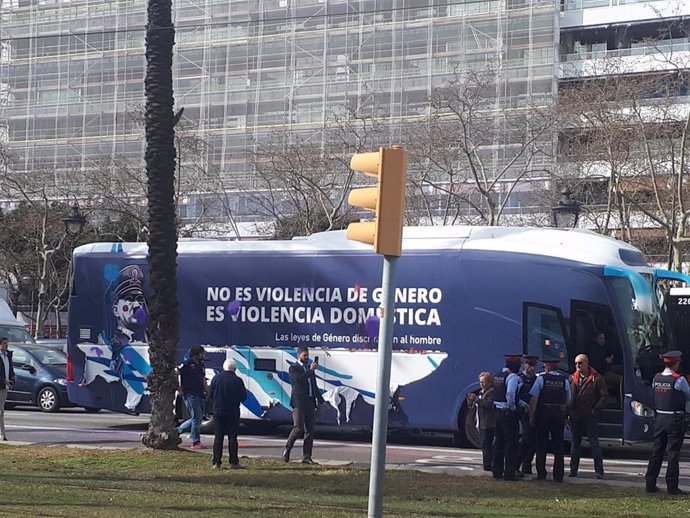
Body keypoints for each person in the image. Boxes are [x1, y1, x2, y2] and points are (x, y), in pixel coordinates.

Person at [645, 350, 690, 495]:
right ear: (676, 363)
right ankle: (672, 486)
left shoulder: (656, 378)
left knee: (656, 452)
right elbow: (688, 395)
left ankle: (650, 483)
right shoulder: (679, 380)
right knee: (673, 453)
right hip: (674, 419)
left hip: (659, 418)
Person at [529, 358, 570, 483]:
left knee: (541, 444)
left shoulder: (541, 379)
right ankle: (559, 475)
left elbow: (534, 398)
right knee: (558, 445)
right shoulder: (564, 380)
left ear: (546, 367)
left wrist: (531, 415)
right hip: (558, 414)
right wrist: (566, 415)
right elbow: (568, 400)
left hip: (544, 413)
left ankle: (541, 473)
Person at [283, 346, 324, 464]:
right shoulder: (293, 368)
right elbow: (298, 381)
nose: (306, 357)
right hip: (299, 402)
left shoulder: (308, 369)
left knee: (310, 430)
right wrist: (310, 371)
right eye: (304, 355)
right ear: (299, 355)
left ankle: (307, 456)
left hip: (310, 402)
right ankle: (287, 448)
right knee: (298, 428)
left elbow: (314, 386)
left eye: (307, 355)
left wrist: (321, 400)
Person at [568, 353, 607, 479]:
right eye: (576, 363)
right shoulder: (572, 378)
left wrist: (595, 409)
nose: (578, 365)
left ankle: (599, 471)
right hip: (575, 415)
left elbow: (604, 396)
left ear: (586, 363)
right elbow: (568, 396)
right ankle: (573, 470)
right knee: (575, 444)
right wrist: (568, 412)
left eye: (580, 363)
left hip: (590, 415)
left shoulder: (597, 378)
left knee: (594, 443)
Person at [210, 359, 248, 469]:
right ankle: (234, 462)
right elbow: (243, 397)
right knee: (232, 437)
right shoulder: (238, 380)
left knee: (218, 437)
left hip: (218, 411)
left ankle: (216, 462)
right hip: (232, 412)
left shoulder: (216, 378)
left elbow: (211, 394)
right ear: (235, 369)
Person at [492, 354, 522, 481]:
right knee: (511, 443)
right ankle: (509, 473)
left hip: (497, 412)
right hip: (507, 413)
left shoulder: (498, 375)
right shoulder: (512, 377)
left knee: (498, 442)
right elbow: (510, 393)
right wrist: (512, 407)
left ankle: (496, 471)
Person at [175, 345, 208, 449]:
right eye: (201, 353)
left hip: (199, 394)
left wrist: (208, 391)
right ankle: (195, 441)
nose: (203, 355)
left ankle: (177, 431)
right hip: (190, 394)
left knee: (198, 418)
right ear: (196, 354)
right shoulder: (187, 364)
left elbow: (203, 380)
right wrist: (178, 388)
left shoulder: (201, 365)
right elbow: (176, 372)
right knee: (196, 418)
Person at [467, 372, 495, 471]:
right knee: (484, 444)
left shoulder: (491, 392)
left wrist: (477, 400)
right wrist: (471, 401)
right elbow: (474, 406)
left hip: (488, 423)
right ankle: (487, 463)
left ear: (490, 382)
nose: (482, 384)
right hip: (481, 422)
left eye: (484, 382)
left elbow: (488, 404)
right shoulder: (481, 392)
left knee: (487, 444)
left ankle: (488, 465)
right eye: (480, 382)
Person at [517, 355, 538, 475]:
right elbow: (515, 395)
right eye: (529, 365)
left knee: (533, 441)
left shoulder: (536, 379)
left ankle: (527, 464)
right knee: (526, 438)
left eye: (533, 365)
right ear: (525, 365)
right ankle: (517, 462)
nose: (531, 368)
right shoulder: (520, 379)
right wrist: (524, 404)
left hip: (534, 412)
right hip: (523, 412)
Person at [586, 332, 622, 398]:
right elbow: (595, 365)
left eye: (603, 339)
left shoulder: (602, 348)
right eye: (600, 338)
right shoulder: (592, 350)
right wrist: (606, 362)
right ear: (595, 339)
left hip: (607, 370)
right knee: (622, 381)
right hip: (600, 374)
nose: (602, 341)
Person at [0, 337, 15, 441]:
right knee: (0, 411)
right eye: (4, 343)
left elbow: (10, 369)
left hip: (5, 387)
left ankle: (2, 434)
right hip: (1, 385)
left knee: (1, 411)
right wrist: (3, 380)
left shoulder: (8, 356)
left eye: (7, 343)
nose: (6, 345)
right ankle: (2, 434)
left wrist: (12, 377)